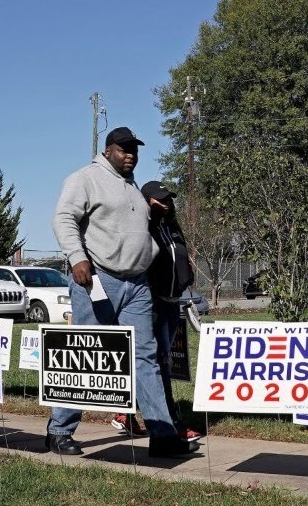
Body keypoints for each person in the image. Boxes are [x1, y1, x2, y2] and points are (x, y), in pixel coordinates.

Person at [46, 127, 198, 458]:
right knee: (84, 356)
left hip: (137, 284)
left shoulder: (132, 188)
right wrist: (77, 257)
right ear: (108, 150)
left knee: (145, 357)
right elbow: (64, 218)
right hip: (97, 280)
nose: (130, 155)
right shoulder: (85, 178)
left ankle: (162, 434)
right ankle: (59, 430)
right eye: (124, 149)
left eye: (134, 150)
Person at [111, 180, 202, 442]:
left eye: (169, 199)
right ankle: (169, 423)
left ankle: (126, 413)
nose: (166, 203)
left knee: (157, 361)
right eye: (160, 199)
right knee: (157, 361)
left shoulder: (171, 226)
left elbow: (179, 256)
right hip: (151, 303)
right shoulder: (143, 227)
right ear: (146, 201)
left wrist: (186, 276)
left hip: (172, 302)